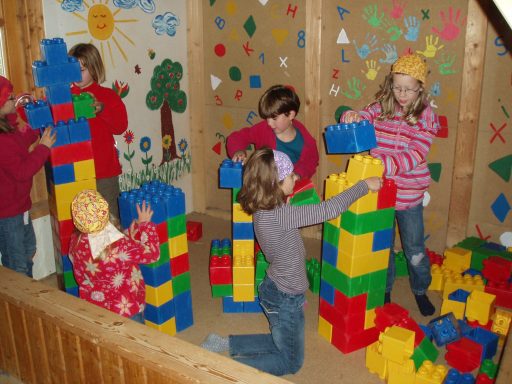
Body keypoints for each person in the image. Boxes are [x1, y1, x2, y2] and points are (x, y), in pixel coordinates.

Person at [201, 148, 381, 375]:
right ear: (274, 186)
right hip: (287, 296)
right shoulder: (281, 215)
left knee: (281, 342)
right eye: (291, 176)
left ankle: (225, 343)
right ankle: (227, 372)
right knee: (291, 362)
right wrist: (363, 185)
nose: (296, 178)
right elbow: (330, 209)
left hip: (274, 288)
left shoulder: (263, 208)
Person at [340, 53, 439, 316]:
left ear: (420, 86)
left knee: (414, 249)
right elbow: (364, 116)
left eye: (408, 88)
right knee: (383, 247)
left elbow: (417, 153)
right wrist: (352, 116)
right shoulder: (382, 105)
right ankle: (384, 290)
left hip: (408, 196)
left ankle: (420, 290)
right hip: (380, 192)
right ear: (390, 84)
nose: (402, 94)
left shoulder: (426, 115)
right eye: (397, 87)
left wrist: (383, 165)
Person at [69, 190, 159, 323]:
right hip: (126, 310)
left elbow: (112, 242)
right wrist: (146, 226)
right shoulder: (121, 246)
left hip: (96, 308)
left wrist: (131, 231)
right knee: (134, 340)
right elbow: (152, 254)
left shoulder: (76, 241)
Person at [0, 75, 56, 277]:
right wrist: (43, 148)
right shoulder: (1, 141)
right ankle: (19, 304)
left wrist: (36, 115)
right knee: (16, 265)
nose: (13, 99)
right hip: (7, 214)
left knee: (28, 251)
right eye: (9, 98)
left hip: (20, 206)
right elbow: (22, 171)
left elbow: (26, 136)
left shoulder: (8, 126)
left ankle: (28, 292)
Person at [69, 43, 128, 219]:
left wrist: (102, 109)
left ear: (94, 69)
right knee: (81, 218)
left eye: (83, 69)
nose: (77, 74)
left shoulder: (108, 95)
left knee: (110, 218)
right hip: (76, 170)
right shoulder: (64, 96)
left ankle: (113, 247)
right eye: (74, 69)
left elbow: (120, 126)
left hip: (104, 171)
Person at [226, 84, 319, 180]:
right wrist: (238, 151)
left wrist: (298, 175)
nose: (269, 123)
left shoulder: (306, 142)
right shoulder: (264, 129)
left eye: (274, 118)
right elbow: (238, 137)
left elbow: (311, 162)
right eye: (267, 118)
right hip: (263, 187)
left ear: (291, 114)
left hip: (292, 190)